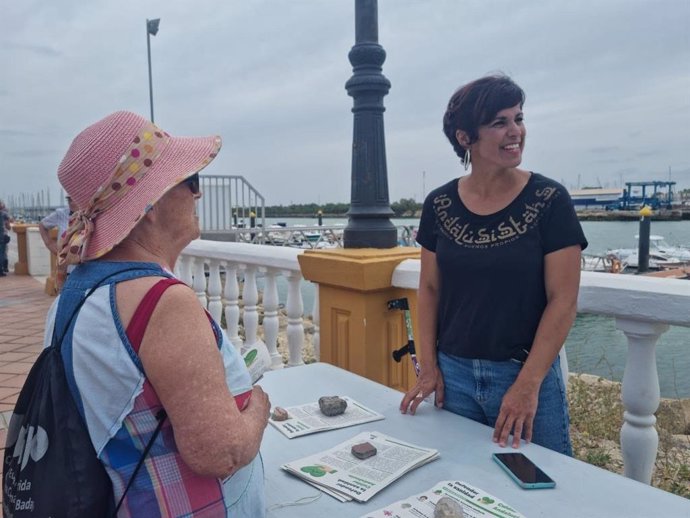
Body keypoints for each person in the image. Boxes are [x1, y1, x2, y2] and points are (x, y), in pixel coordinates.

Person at [47, 111, 271, 516]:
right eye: (190, 181)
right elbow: (220, 453)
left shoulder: (76, 288)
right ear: (148, 205)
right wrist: (259, 406)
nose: (197, 194)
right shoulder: (162, 301)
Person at [399, 75, 587, 456]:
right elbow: (430, 289)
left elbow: (563, 300)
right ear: (466, 137)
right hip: (454, 378)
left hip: (522, 374)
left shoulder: (549, 200)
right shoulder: (439, 204)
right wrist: (430, 367)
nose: (515, 131)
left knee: (542, 490)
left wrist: (527, 385)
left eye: (518, 118)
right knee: (461, 483)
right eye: (500, 122)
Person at [0, 200, 12, 276]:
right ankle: (1, 270)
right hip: (2, 236)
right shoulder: (4, 214)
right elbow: (8, 226)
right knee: (2, 253)